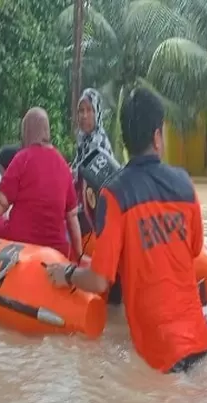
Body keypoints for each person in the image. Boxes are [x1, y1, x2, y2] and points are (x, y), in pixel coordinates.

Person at [46, 87, 207, 374]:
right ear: (157, 137)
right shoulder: (185, 184)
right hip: (199, 342)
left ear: (123, 139)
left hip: (157, 354)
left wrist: (67, 274)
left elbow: (99, 281)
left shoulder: (113, 195)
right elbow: (194, 249)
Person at [0, 107, 82, 260]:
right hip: (57, 249)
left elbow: (0, 201)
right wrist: (79, 256)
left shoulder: (22, 158)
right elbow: (72, 217)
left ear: (26, 132)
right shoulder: (63, 165)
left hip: (21, 244)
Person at [73, 88, 124, 305]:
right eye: (81, 111)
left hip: (102, 215)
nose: (84, 116)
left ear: (97, 113)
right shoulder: (83, 140)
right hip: (91, 210)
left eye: (89, 110)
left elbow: (82, 178)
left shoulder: (98, 143)